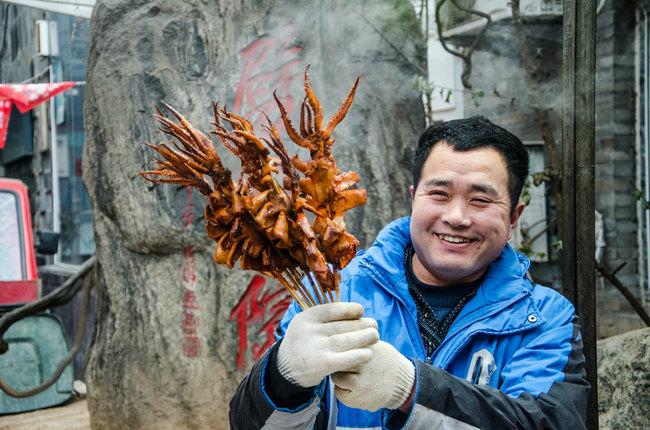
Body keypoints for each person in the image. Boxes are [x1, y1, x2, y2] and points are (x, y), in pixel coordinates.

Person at [229, 116, 590, 429]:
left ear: (513, 217)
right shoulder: (334, 293)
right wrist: (282, 376)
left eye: (480, 200)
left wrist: (412, 389)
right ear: (413, 197)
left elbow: (550, 422)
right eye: (439, 194)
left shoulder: (544, 321)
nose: (457, 217)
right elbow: (248, 425)